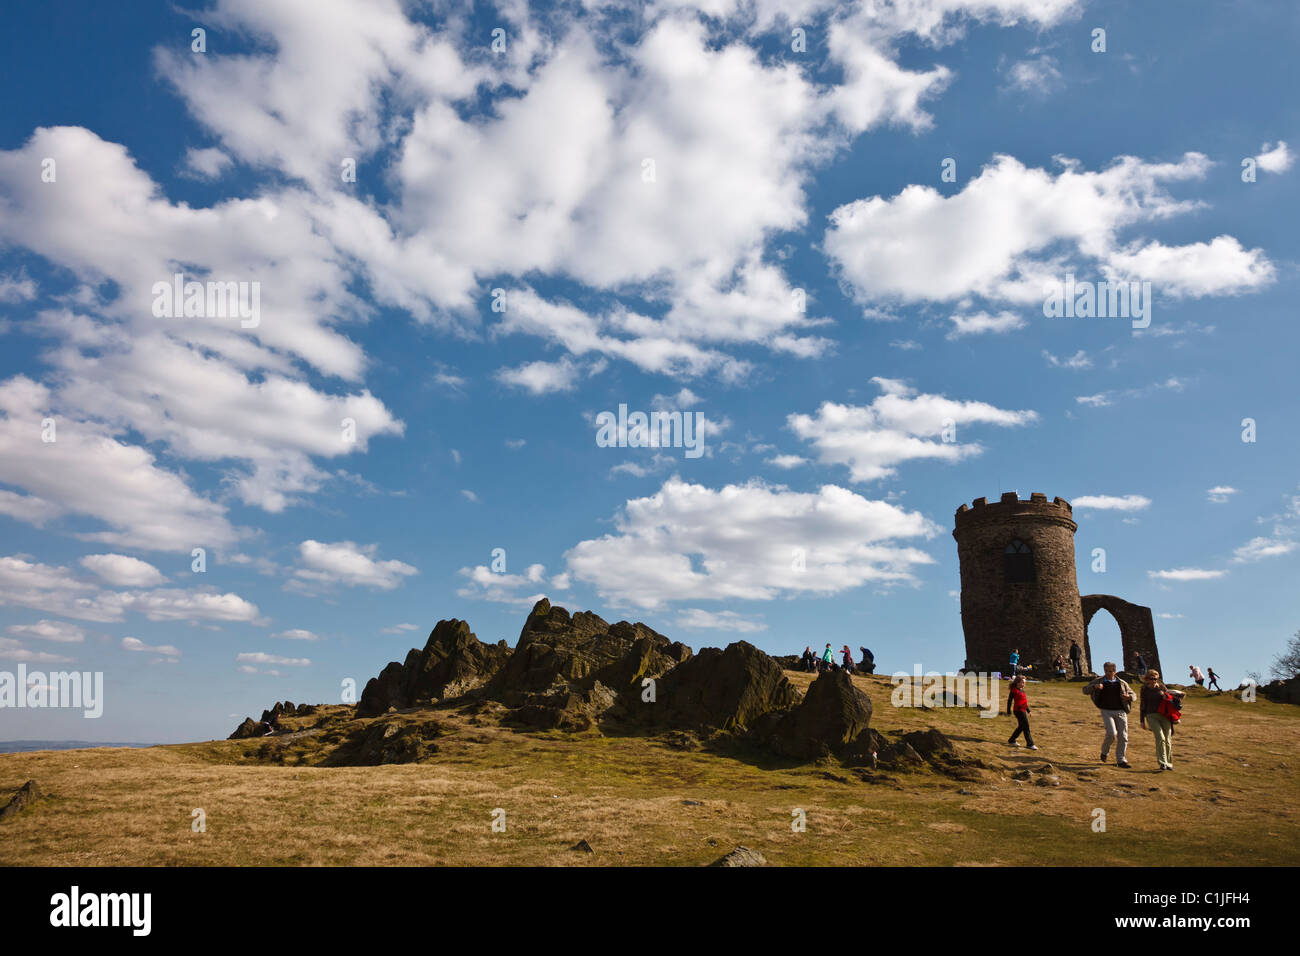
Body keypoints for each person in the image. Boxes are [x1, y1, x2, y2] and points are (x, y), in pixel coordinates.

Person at [1084, 662, 1135, 768]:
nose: (1108, 673)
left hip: (1121, 711)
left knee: (1123, 736)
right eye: (1106, 671)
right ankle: (1105, 752)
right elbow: (1085, 690)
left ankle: (1121, 760)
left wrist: (1129, 697)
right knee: (1111, 733)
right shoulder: (1099, 681)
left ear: (1115, 671)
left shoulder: (1122, 682)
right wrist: (1094, 686)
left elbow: (1133, 694)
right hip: (1106, 710)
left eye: (1111, 671)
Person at [1139, 670, 1184, 771]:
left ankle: (1169, 763)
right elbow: (1142, 705)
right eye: (1151, 678)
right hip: (1151, 716)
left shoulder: (1162, 687)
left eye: (1155, 678)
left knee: (1167, 739)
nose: (1154, 680)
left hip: (1164, 716)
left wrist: (1166, 697)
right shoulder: (1144, 689)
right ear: (1147, 679)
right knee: (1160, 737)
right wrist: (1142, 720)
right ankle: (1162, 762)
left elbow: (1172, 699)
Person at [1006, 676, 1037, 750]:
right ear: (1017, 682)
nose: (1024, 684)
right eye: (1022, 682)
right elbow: (1009, 701)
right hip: (1018, 710)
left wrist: (1028, 711)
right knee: (1026, 726)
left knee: (1021, 727)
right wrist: (1008, 711)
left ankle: (1011, 740)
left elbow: (1024, 702)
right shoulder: (1014, 690)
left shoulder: (1022, 691)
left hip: (1023, 710)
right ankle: (1030, 744)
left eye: (1024, 682)